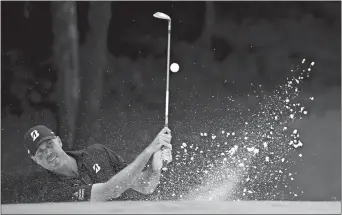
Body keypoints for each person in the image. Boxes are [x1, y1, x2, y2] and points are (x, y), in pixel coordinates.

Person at [23, 125, 172, 202]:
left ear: (59, 141)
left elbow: (146, 185)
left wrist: (155, 165)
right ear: (35, 159)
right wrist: (148, 151)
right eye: (40, 152)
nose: (48, 153)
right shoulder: (51, 191)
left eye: (49, 144)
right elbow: (110, 190)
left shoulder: (97, 152)